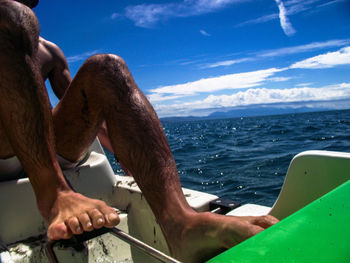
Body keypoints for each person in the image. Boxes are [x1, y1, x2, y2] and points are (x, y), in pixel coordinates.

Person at [0, 0, 278, 262]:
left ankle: (180, 223)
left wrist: (126, 153)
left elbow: (86, 110)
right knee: (10, 14)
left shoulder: (49, 51)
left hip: (47, 145)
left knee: (107, 68)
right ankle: (53, 193)